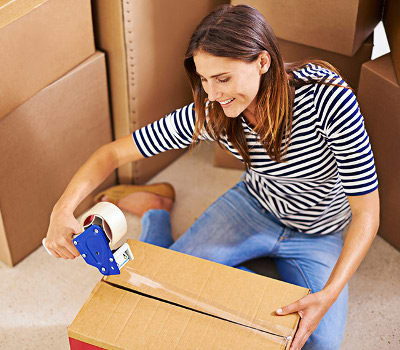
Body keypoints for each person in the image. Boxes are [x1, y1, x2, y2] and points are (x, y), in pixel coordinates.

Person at [44, 4, 379, 350]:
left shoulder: (329, 101)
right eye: (204, 80)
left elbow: (367, 212)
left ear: (262, 62)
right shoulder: (212, 113)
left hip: (319, 232)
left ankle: (166, 219)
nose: (213, 94)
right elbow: (112, 154)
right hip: (253, 207)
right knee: (160, 289)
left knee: (318, 343)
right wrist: (61, 210)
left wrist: (327, 295)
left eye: (223, 78)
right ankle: (156, 211)